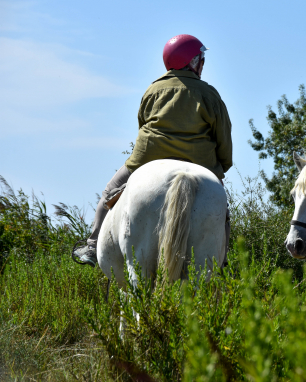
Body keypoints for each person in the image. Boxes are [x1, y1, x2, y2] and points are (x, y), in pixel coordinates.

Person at [73, 34, 232, 267]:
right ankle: (222, 257)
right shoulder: (209, 94)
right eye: (202, 60)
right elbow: (223, 138)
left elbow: (142, 122)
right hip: (200, 162)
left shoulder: (152, 89)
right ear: (194, 62)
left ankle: (92, 245)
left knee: (109, 193)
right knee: (222, 209)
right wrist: (220, 167)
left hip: (148, 157)